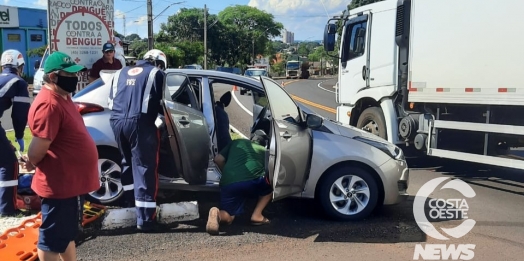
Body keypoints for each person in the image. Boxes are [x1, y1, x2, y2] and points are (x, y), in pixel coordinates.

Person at [21, 51, 99, 261]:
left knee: (65, 235)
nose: (74, 78)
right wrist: (31, 161)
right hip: (60, 186)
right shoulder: (49, 104)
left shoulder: (63, 97)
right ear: (53, 77)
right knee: (52, 240)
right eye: (69, 74)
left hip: (70, 185)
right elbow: (37, 150)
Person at [108, 49, 167, 232]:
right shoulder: (156, 73)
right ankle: (146, 219)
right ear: (159, 63)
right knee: (145, 167)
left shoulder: (120, 72)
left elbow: (111, 101)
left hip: (117, 121)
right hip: (140, 123)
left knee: (127, 163)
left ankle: (129, 205)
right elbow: (163, 103)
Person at [206, 131, 273, 235]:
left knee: (229, 217)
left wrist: (229, 175)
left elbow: (218, 159)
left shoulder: (236, 142)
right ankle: (257, 215)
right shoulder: (265, 151)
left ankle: (218, 214)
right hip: (251, 183)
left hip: (228, 183)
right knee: (269, 189)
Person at [0, 49, 30, 217]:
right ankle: (7, 209)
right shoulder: (18, 82)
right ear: (20, 66)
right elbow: (19, 114)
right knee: (9, 163)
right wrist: (19, 135)